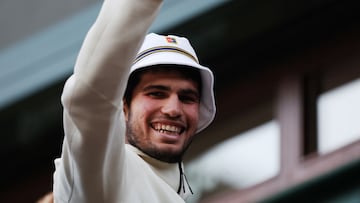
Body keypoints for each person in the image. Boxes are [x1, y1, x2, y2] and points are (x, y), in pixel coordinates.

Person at [53, 0, 216, 202]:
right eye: (156, 93)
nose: (173, 109)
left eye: (186, 98)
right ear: (123, 105)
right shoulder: (103, 173)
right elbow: (89, 100)